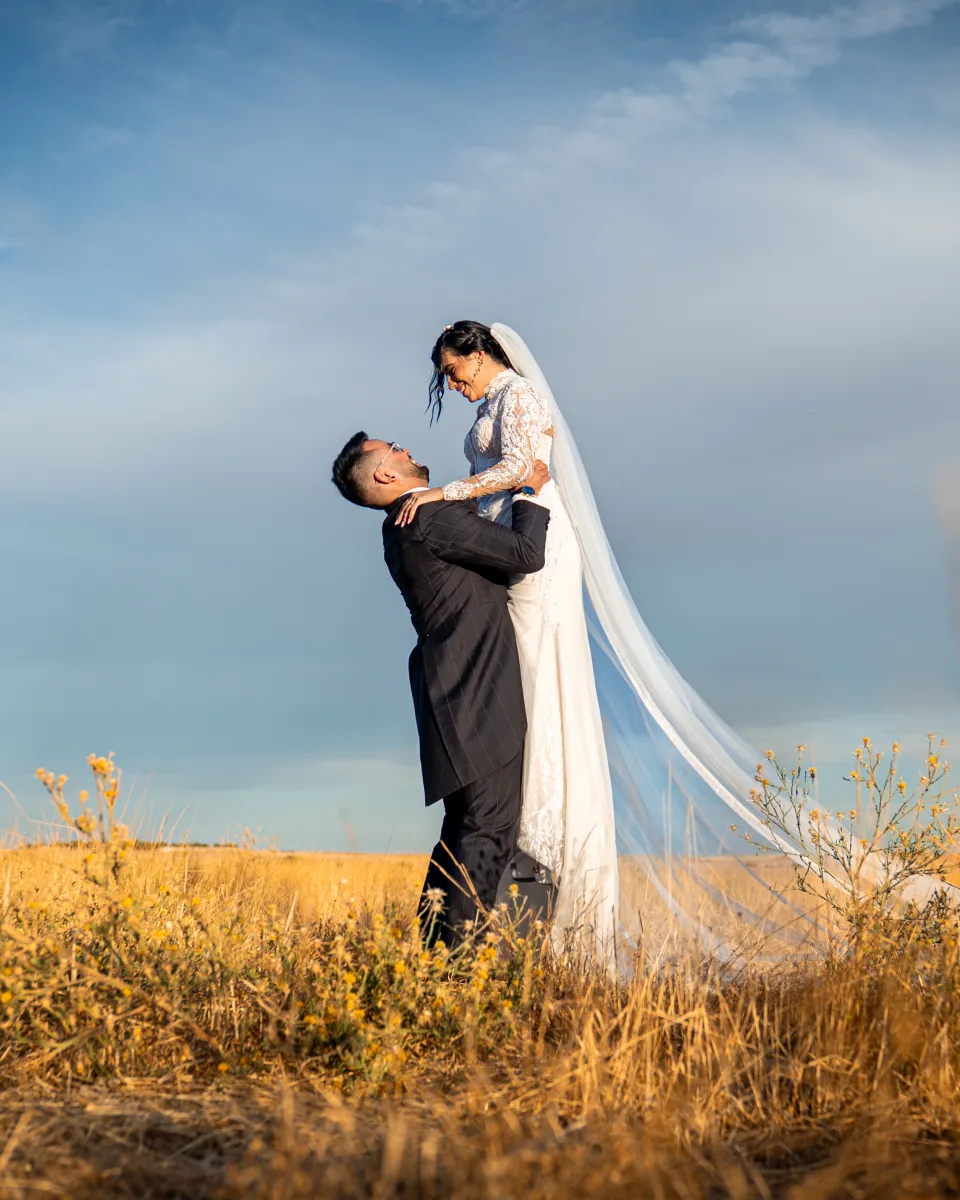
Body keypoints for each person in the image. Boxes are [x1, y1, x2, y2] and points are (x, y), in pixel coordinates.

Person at [395, 322, 621, 963]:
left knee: (538, 675)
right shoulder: (493, 402)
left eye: (454, 369)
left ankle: (546, 837)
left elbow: (524, 466)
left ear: (481, 354)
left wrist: (443, 493)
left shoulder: (517, 395)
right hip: (507, 537)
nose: (451, 382)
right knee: (517, 678)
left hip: (535, 543)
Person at [331, 431, 551, 946]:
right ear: (385, 474)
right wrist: (528, 494)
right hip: (475, 688)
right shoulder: (427, 516)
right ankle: (456, 966)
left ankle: (433, 955)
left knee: (464, 830)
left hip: (449, 691)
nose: (407, 451)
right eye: (396, 450)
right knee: (488, 825)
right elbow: (524, 554)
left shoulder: (401, 526)